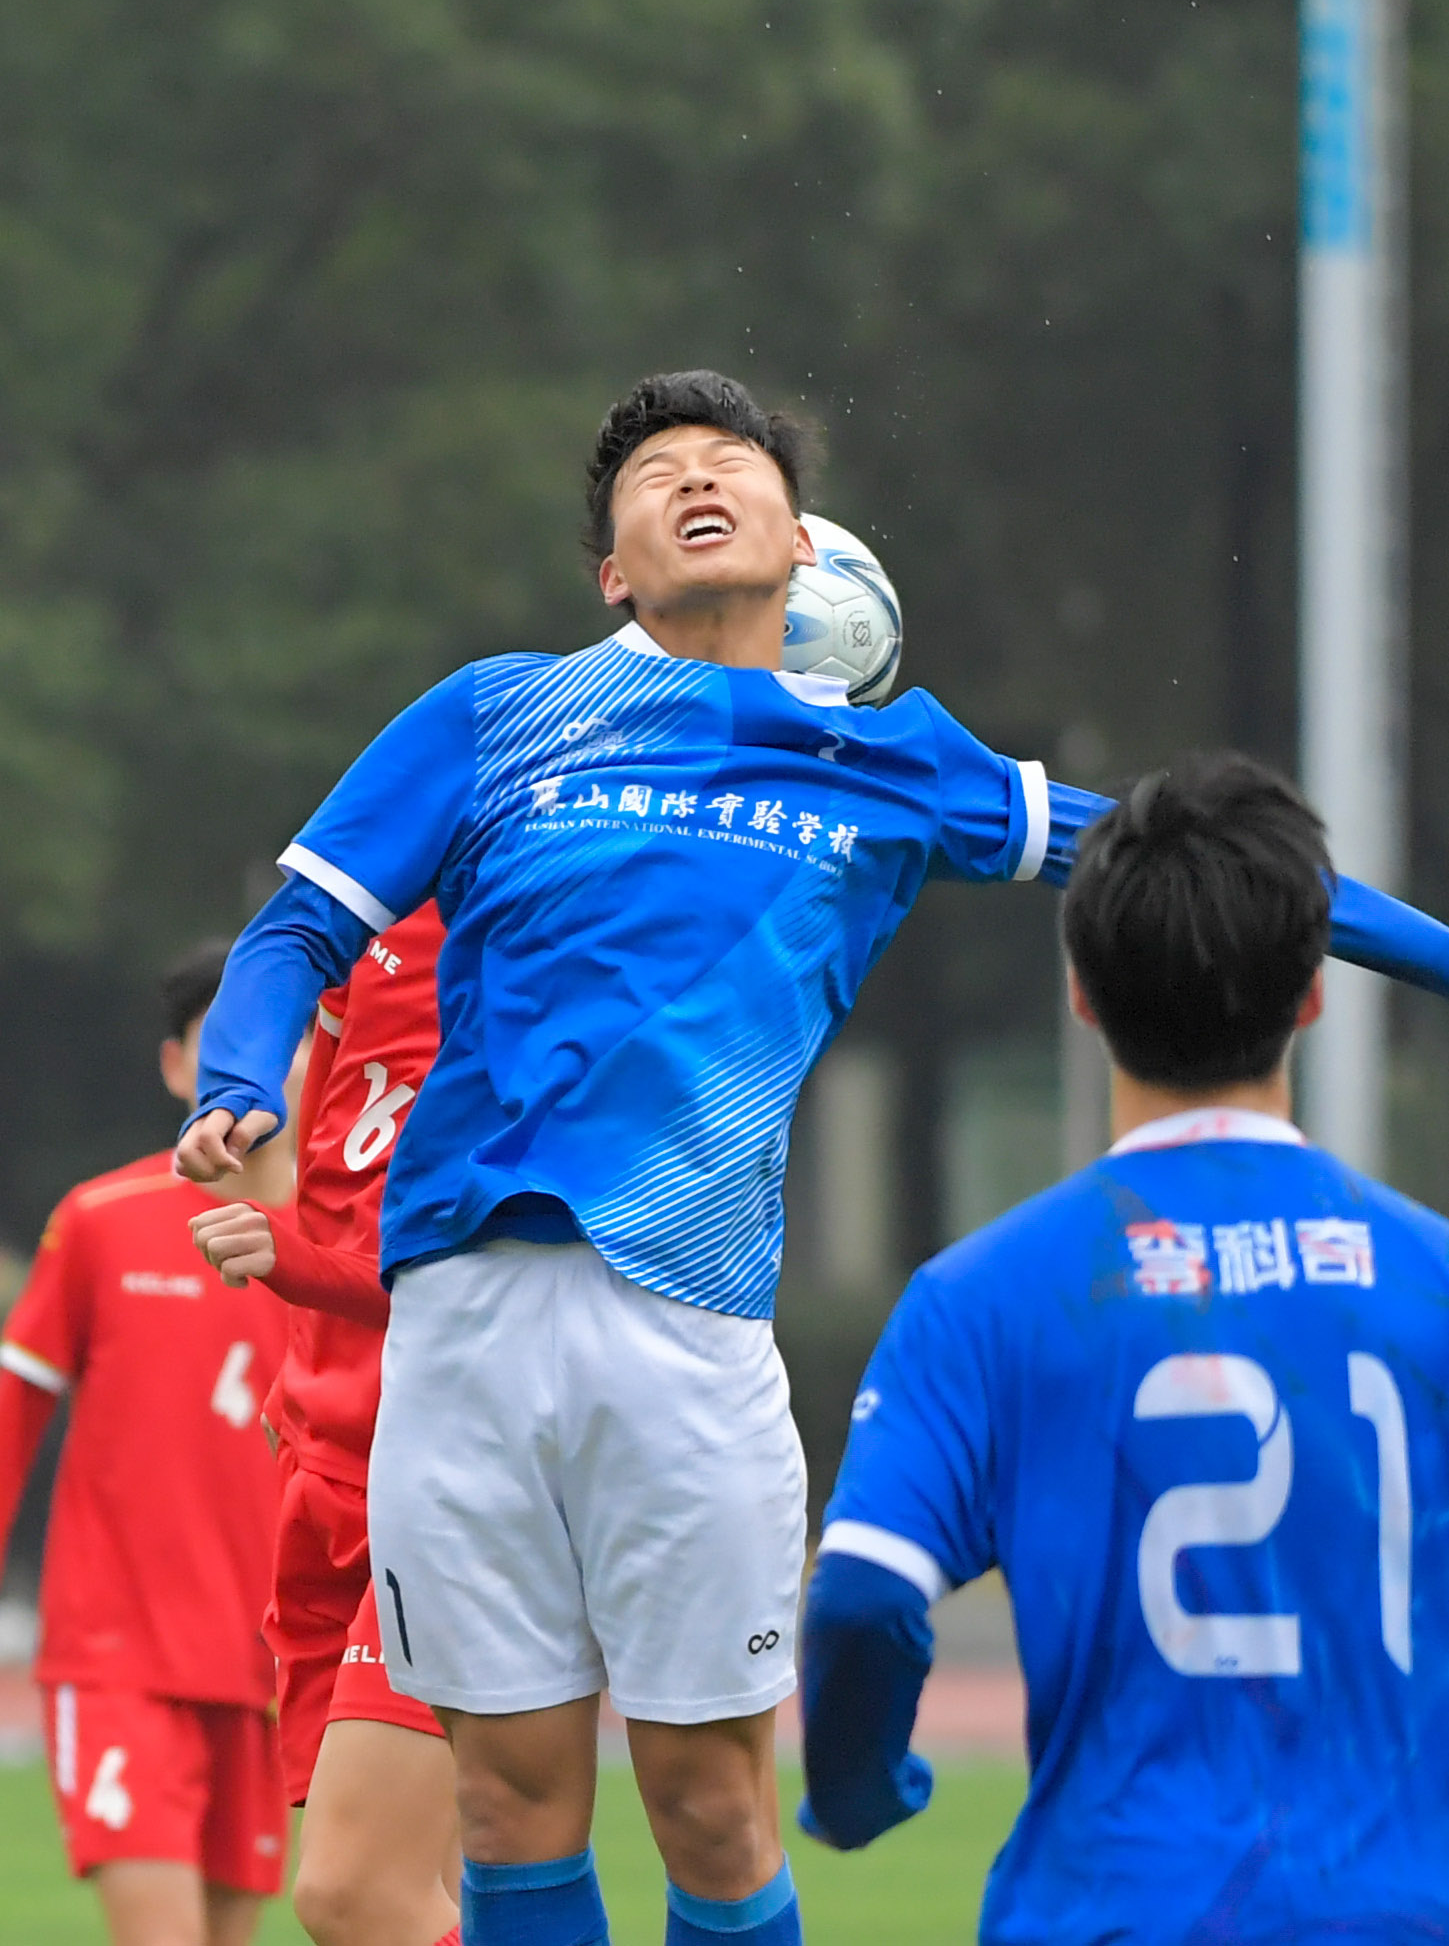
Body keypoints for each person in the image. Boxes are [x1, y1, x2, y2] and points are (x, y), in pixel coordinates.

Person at [174, 371, 1449, 1946]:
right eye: (656, 474)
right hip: (464, 1326)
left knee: (710, 1805)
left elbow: (1192, 859)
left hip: (682, 1320)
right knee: (510, 1807)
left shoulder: (888, 760)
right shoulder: (497, 710)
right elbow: (302, 922)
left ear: (803, 543)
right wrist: (239, 1073)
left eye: (733, 465)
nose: (696, 481)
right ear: (611, 571)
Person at [799, 752, 1449, 1943]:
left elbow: (862, 1595)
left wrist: (857, 1788)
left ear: (1083, 992)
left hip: (1108, 1908)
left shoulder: (983, 1296)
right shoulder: (1433, 1276)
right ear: (1311, 991)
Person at [0, 941, 306, 1946]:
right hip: (117, 1655)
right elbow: (12, 1420)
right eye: (226, 1040)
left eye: (291, 1032)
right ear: (178, 1065)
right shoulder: (102, 1222)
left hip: (268, 1668)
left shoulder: (356, 1251)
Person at [190, 901, 461, 1946]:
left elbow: (496, 1282)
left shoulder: (535, 949)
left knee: (352, 1895)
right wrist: (302, 1387)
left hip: (450, 1486)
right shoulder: (374, 921)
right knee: (435, 1884)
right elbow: (337, 1189)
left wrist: (295, 1264)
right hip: (332, 1471)